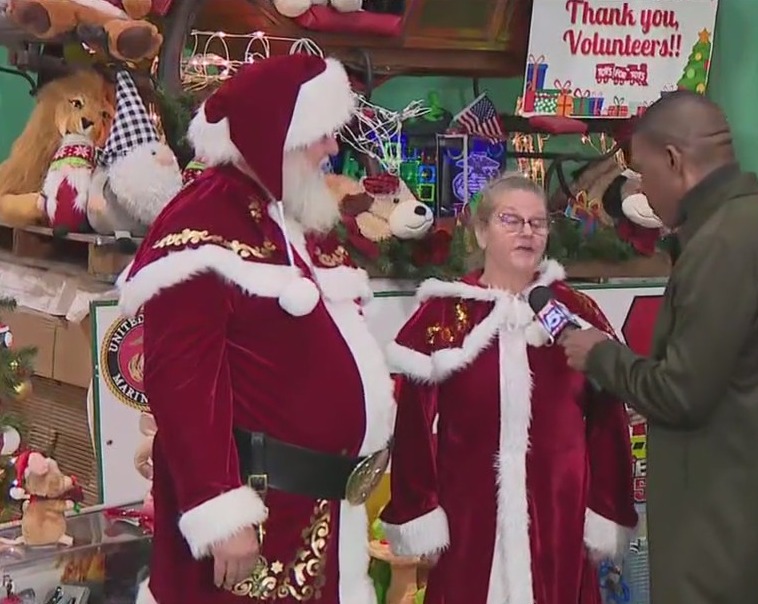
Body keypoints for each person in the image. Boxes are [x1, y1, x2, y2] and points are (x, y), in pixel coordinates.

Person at [119, 54, 396, 604]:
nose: (332, 151)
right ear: (279, 131)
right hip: (258, 512)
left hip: (317, 510)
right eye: (321, 135)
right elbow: (183, 382)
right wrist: (220, 512)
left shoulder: (291, 217)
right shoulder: (203, 223)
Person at [559, 90, 758, 604]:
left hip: (718, 533)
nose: (643, 191)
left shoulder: (723, 245)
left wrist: (600, 355)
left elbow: (681, 393)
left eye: (644, 173)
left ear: (674, 160)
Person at [380, 174, 638, 604]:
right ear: (481, 231)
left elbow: (608, 418)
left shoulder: (575, 310)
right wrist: (417, 509)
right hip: (470, 515)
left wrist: (606, 506)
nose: (527, 232)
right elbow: (411, 426)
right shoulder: (444, 314)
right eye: (511, 220)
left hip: (559, 514)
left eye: (538, 223)